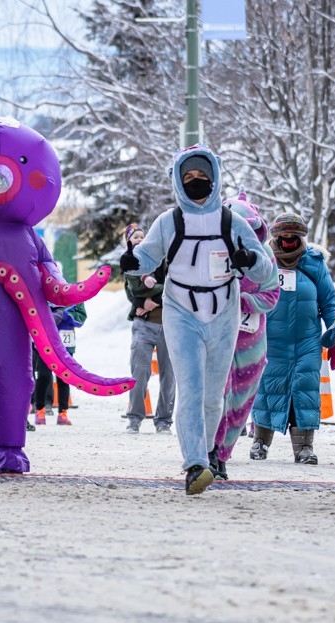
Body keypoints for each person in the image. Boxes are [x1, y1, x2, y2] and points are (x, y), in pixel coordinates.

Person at [121, 145, 273, 494]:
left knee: (212, 393)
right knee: (190, 389)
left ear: (215, 178)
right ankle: (194, 464)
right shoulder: (168, 222)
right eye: (188, 177)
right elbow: (146, 257)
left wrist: (249, 258)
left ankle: (206, 452)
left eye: (202, 176)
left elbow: (266, 272)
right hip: (181, 312)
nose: (196, 183)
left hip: (224, 312)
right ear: (177, 180)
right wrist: (131, 263)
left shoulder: (231, 222)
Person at [249, 213, 335, 465]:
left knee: (305, 390)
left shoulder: (314, 262)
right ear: (276, 237)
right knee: (267, 389)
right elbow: (250, 293)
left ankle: (304, 448)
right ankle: (259, 441)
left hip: (307, 341)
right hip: (269, 339)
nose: (288, 240)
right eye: (283, 236)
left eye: (294, 236)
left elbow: (329, 301)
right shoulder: (264, 260)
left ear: (302, 237)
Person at [210, 192, 279, 479]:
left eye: (249, 228)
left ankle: (224, 452)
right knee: (215, 395)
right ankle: (209, 452)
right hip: (214, 337)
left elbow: (272, 294)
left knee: (240, 400)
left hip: (250, 342)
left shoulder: (265, 257)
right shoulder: (209, 252)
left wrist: (240, 301)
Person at [122, 222, 176, 434]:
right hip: (143, 324)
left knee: (169, 374)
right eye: (135, 237)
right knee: (139, 371)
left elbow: (174, 287)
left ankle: (164, 420)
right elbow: (132, 293)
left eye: (143, 236)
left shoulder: (164, 259)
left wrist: (153, 300)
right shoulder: (130, 263)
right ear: (128, 241)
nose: (141, 240)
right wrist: (142, 303)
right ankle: (134, 418)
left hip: (168, 324)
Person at [33, 302, 87, 426]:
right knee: (43, 376)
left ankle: (63, 413)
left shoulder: (76, 295)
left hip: (65, 345)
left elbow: (81, 318)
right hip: (45, 343)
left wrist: (64, 315)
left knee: (64, 379)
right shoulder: (44, 291)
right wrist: (49, 316)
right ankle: (40, 410)